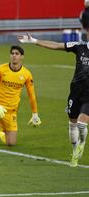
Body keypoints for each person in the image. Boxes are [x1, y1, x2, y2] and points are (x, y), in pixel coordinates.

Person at [18, 33, 89, 167]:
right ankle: (75, 152)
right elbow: (57, 45)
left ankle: (83, 143)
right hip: (75, 92)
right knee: (72, 124)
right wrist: (34, 40)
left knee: (81, 124)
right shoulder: (80, 46)